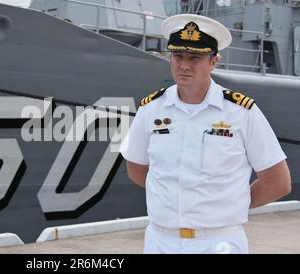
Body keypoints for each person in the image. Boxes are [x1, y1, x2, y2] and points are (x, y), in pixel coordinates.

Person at [120, 14, 291, 254]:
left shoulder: (241, 112)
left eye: (195, 58)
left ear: (213, 61)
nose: (184, 65)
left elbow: (278, 182)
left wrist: (230, 205)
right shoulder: (151, 109)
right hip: (160, 240)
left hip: (218, 242)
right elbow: (136, 168)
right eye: (178, 56)